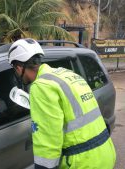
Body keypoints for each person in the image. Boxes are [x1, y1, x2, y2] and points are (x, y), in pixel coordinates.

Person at [8, 38, 116, 169]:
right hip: (105, 152)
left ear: (18, 67)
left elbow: (48, 140)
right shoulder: (66, 74)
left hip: (83, 162)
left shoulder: (41, 87)